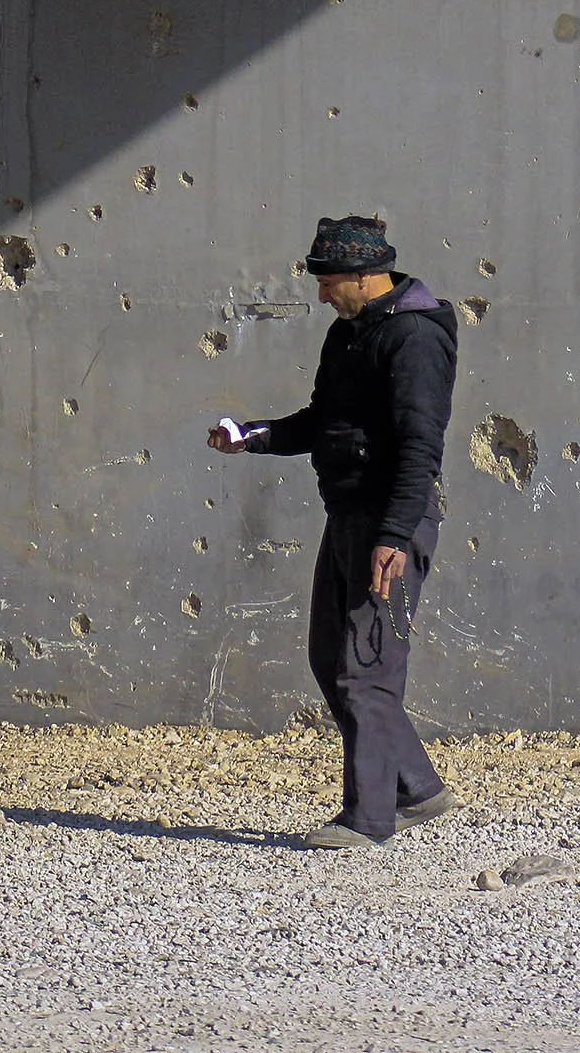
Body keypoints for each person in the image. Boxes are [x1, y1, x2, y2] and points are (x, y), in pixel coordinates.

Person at [207, 214, 459, 848]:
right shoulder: (348, 334)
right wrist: (254, 437)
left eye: (328, 281)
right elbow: (323, 421)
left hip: (388, 523)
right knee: (331, 658)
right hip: (348, 514)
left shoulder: (414, 339)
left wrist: (395, 536)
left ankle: (368, 819)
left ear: (365, 277)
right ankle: (418, 789)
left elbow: (420, 446)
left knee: (367, 668)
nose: (320, 293)